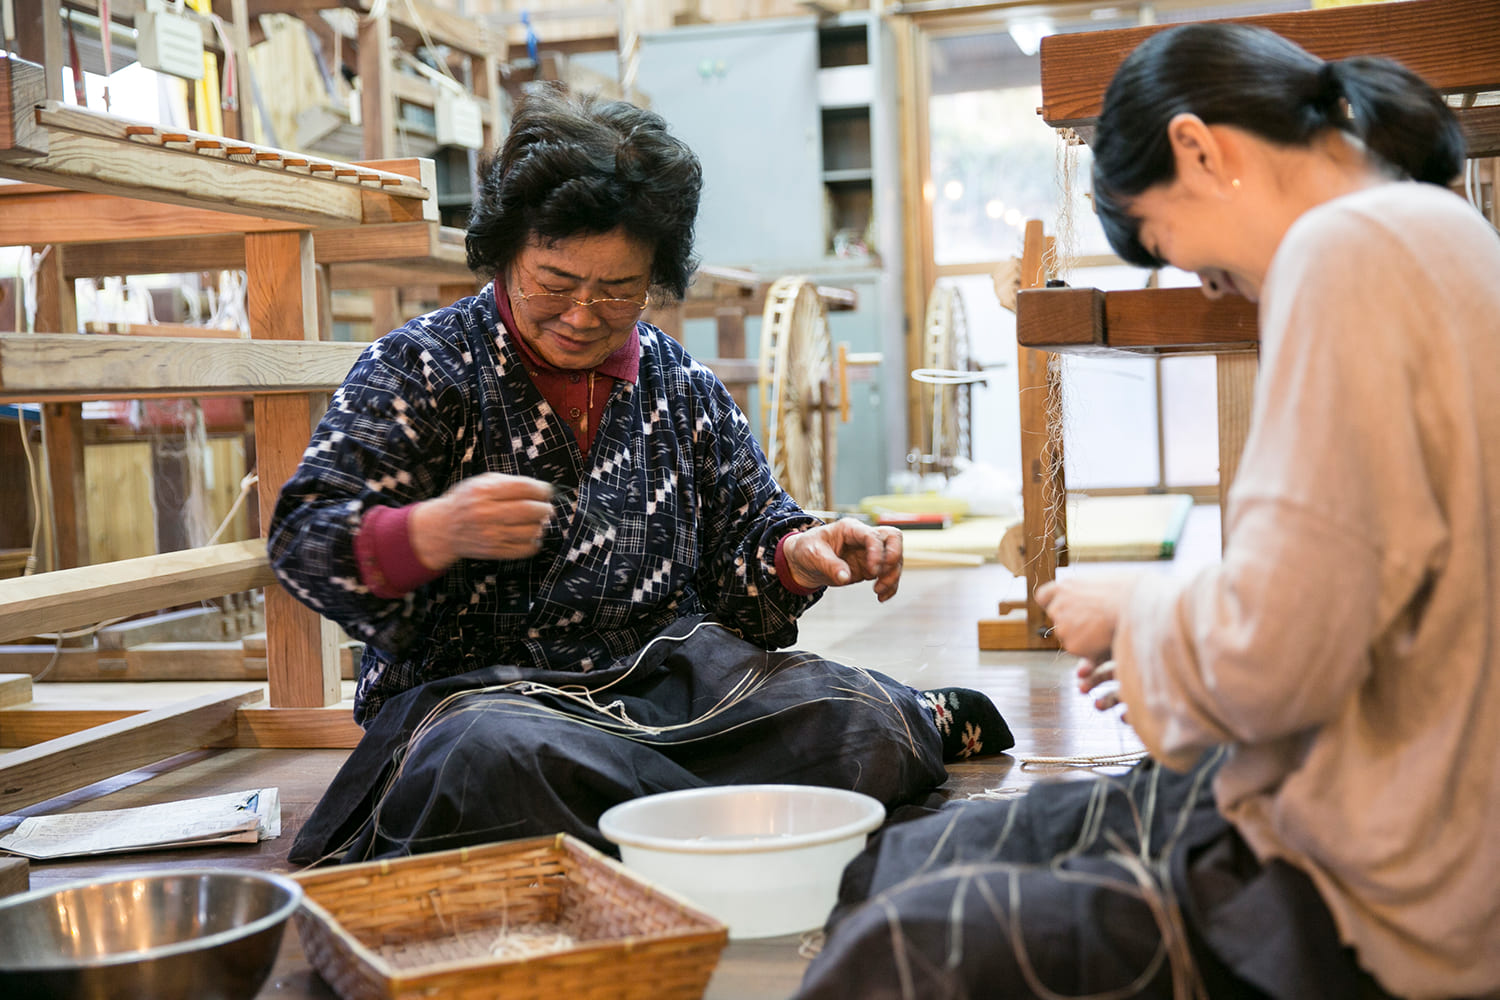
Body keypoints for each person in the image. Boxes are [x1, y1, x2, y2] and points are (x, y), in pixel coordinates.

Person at [796, 21, 1500, 1000]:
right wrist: (1175, 636)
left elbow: (1281, 653)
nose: (1198, 281)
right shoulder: (1437, 227)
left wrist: (1137, 614)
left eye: (1161, 237)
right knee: (900, 864)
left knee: (896, 943)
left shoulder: (1349, 255)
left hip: (1374, 885)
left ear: (1197, 149)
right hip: (1412, 816)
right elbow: (1353, 585)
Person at [271, 86, 1012, 867]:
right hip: (484, 702)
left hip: (672, 688)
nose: (584, 314)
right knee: (488, 768)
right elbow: (302, 540)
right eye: (554, 283)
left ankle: (676, 814)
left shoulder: (679, 384)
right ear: (505, 251)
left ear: (656, 274)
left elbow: (752, 541)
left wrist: (798, 555)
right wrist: (429, 532)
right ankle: (710, 819)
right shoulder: (420, 366)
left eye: (619, 289)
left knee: (855, 716)